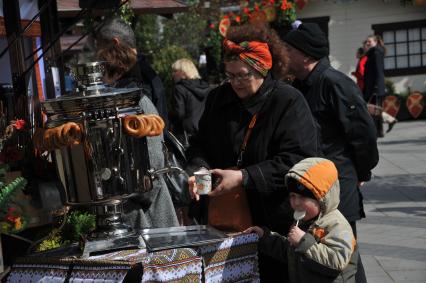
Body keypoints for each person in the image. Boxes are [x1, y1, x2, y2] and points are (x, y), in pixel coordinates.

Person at [186, 23, 319, 282]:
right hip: (224, 224)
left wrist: (244, 177)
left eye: (243, 75)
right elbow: (199, 144)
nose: (236, 82)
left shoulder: (287, 101)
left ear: (263, 68)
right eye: (230, 75)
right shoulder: (218, 98)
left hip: (273, 225)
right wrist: (199, 172)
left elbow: (298, 161)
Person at [280, 22, 379, 283]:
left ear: (306, 54)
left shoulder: (335, 83)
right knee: (317, 254)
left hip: (337, 185)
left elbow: (364, 135)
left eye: (288, 48)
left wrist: (362, 171)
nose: (284, 53)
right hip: (311, 187)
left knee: (345, 257)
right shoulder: (298, 87)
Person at [96, 17, 179, 229]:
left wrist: (132, 196)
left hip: (145, 215)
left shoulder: (137, 90)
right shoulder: (144, 76)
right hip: (138, 207)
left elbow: (153, 161)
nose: (101, 68)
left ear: (114, 45)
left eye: (101, 54)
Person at [245, 157, 358, 283]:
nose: (296, 202)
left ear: (322, 198)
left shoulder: (336, 224)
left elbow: (337, 260)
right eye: (293, 196)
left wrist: (303, 242)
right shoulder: (303, 221)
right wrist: (265, 237)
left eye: (303, 197)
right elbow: (290, 252)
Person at [169, 58, 212, 147]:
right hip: (205, 132)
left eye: (175, 71)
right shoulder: (206, 87)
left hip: (185, 135)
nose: (172, 74)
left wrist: (168, 116)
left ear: (183, 72)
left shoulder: (179, 88)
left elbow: (179, 114)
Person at [364, 35, 397, 135]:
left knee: (374, 109)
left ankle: (378, 130)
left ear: (376, 42)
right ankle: (380, 130)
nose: (367, 43)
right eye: (367, 42)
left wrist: (377, 86)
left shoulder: (377, 53)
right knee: (375, 109)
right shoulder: (372, 53)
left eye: (369, 41)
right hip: (372, 85)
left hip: (375, 86)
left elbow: (378, 70)